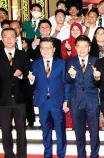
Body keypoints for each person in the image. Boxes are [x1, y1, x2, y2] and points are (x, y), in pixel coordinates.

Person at [28, 37, 69, 158]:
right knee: (45, 129)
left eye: (48, 48)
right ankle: (47, 154)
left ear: (54, 49)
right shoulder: (35, 63)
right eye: (43, 48)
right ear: (40, 50)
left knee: (60, 130)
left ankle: (61, 154)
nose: (46, 50)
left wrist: (66, 100)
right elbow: (33, 83)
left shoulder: (62, 63)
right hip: (43, 102)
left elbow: (66, 83)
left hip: (58, 101)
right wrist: (31, 81)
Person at [65, 35, 100, 158]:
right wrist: (71, 76)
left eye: (85, 46)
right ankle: (81, 155)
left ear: (89, 48)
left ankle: (94, 154)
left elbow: (99, 82)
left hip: (92, 100)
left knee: (94, 131)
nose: (82, 49)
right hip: (76, 100)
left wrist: (97, 77)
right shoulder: (70, 61)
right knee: (79, 132)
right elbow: (66, 80)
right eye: (79, 46)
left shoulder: (96, 61)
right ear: (75, 47)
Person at [0, 28, 30, 158]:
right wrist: (13, 74)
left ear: (16, 38)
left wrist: (21, 75)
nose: (8, 39)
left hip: (20, 98)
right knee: (5, 130)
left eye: (11, 36)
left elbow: (27, 72)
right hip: (3, 98)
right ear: (1, 39)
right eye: (5, 37)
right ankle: (9, 155)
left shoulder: (22, 54)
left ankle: (22, 155)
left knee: (21, 130)